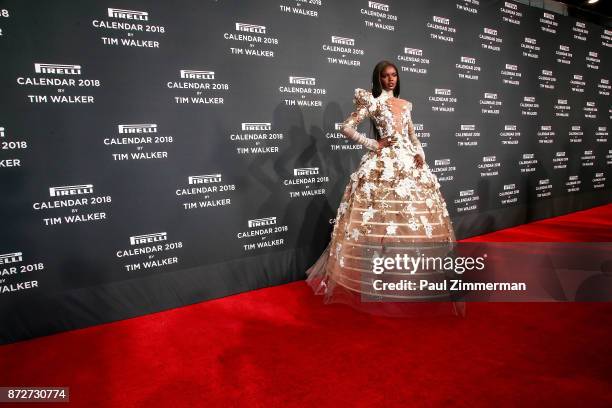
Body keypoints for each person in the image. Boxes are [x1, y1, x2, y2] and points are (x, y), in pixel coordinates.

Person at [305, 60, 462, 317]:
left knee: (408, 219)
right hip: (382, 163)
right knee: (378, 220)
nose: (391, 80)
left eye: (394, 75)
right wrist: (374, 144)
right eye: (386, 76)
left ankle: (406, 277)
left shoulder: (407, 104)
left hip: (409, 162)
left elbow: (412, 134)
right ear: (378, 78)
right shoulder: (373, 102)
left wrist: (420, 153)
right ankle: (377, 278)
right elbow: (346, 127)